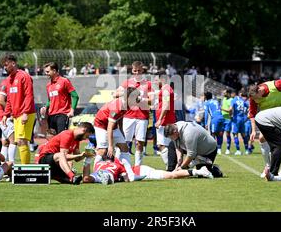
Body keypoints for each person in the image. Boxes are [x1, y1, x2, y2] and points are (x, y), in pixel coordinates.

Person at [248, 79, 281, 177]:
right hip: (267, 118)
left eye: (255, 98)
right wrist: (253, 131)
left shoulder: (276, 85)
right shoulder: (252, 97)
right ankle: (268, 166)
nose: (255, 101)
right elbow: (252, 114)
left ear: (259, 91)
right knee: (262, 138)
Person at [114, 61, 153, 166]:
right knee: (124, 141)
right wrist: (128, 93)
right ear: (132, 70)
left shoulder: (147, 83)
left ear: (142, 70)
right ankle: (117, 164)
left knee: (139, 142)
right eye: (135, 71)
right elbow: (115, 94)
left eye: (139, 71)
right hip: (128, 116)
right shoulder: (127, 82)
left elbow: (152, 100)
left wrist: (139, 98)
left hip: (142, 116)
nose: (137, 73)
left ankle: (137, 167)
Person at [79, 155, 213, 185]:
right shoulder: (112, 164)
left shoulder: (99, 165)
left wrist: (119, 179)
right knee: (171, 175)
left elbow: (128, 177)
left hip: (141, 172)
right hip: (139, 169)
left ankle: (200, 170)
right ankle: (198, 170)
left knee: (170, 176)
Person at [1, 54, 36, 164]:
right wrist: (6, 114)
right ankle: (25, 168)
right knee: (18, 141)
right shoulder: (8, 80)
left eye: (6, 65)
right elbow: (9, 100)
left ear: (13, 63)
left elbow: (29, 95)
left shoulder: (24, 76)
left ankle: (25, 169)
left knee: (21, 141)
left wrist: (25, 112)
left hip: (26, 113)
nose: (4, 68)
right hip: (16, 115)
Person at [93, 87, 140, 166]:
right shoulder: (117, 106)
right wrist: (111, 146)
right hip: (101, 125)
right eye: (136, 97)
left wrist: (121, 131)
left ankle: (129, 173)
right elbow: (109, 127)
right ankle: (95, 172)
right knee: (103, 150)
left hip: (112, 126)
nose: (138, 99)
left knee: (125, 148)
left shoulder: (128, 104)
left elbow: (119, 118)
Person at [40, 62, 79, 134]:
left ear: (54, 71)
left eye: (48, 71)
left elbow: (75, 96)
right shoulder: (48, 85)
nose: (46, 73)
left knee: (62, 138)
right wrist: (45, 107)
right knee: (53, 140)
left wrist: (72, 110)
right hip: (51, 115)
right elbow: (50, 100)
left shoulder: (64, 81)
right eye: (45, 72)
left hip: (62, 115)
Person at [154, 75, 176, 169]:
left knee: (161, 144)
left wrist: (159, 120)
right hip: (167, 120)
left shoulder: (166, 90)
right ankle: (172, 165)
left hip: (165, 121)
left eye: (156, 80)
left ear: (161, 79)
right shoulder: (166, 89)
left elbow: (166, 105)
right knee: (168, 145)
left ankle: (170, 166)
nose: (155, 82)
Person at [0, 79, 17, 163]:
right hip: (5, 117)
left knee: (5, 142)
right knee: (13, 140)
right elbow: (1, 100)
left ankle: (3, 167)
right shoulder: (5, 83)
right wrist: (10, 113)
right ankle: (11, 165)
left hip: (2, 117)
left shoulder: (6, 83)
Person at [229, 89, 250, 155]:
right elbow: (249, 108)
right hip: (242, 119)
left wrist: (230, 116)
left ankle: (238, 150)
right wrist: (247, 116)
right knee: (243, 135)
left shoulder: (234, 100)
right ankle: (247, 150)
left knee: (235, 134)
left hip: (236, 119)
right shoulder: (242, 101)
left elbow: (230, 109)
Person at [220, 89, 233, 154]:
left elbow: (230, 110)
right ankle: (219, 148)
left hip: (228, 119)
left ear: (228, 93)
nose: (223, 93)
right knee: (221, 134)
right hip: (222, 119)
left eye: (224, 93)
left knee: (228, 134)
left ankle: (228, 149)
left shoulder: (231, 100)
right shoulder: (224, 99)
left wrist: (221, 108)